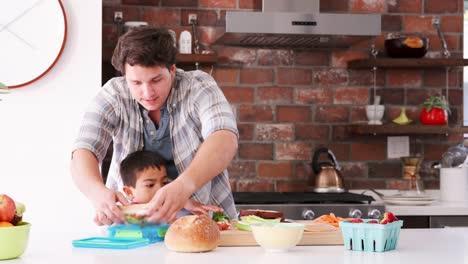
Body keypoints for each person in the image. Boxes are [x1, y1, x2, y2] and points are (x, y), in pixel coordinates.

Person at [71, 26, 238, 225]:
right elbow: (84, 150)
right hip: (131, 225)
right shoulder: (114, 94)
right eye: (136, 83)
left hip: (201, 222)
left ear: (172, 70)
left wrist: (184, 186)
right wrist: (97, 192)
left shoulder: (198, 86)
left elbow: (224, 138)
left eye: (156, 80)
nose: (147, 92)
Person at [119, 150, 223, 217]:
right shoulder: (127, 214)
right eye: (150, 185)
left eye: (164, 183)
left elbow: (178, 202)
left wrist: (186, 202)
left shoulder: (167, 204)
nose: (160, 189)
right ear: (129, 192)